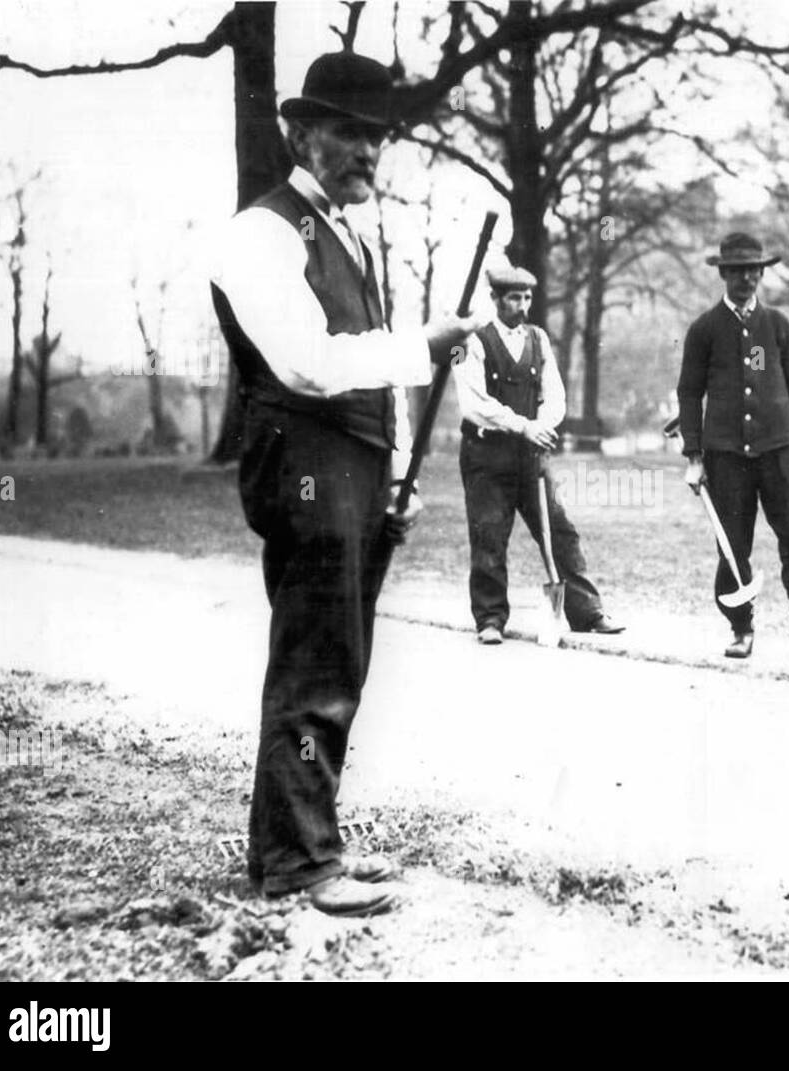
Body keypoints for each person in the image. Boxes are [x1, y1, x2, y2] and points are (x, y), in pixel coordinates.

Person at [210, 51, 482, 916]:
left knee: (342, 658)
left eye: (375, 136)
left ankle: (303, 846)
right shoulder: (263, 232)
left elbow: (367, 378)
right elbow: (311, 364)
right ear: (300, 131)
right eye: (349, 132)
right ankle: (296, 863)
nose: (368, 150)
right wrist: (425, 344)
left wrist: (396, 475)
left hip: (353, 467)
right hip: (302, 462)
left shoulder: (353, 233)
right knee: (315, 658)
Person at [677, 233, 789, 662]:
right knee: (732, 545)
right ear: (723, 274)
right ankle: (741, 628)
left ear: (761, 274)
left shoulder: (779, 326)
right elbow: (689, 394)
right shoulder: (704, 330)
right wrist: (694, 456)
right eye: (738, 271)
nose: (747, 278)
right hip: (725, 456)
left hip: (779, 452)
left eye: (754, 270)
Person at [451, 265, 623, 644]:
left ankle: (587, 612)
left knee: (560, 531)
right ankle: (490, 619)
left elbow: (555, 392)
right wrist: (522, 425)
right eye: (514, 297)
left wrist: (543, 425)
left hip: (530, 456)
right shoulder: (470, 342)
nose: (523, 305)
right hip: (486, 455)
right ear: (495, 298)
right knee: (490, 535)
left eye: (527, 297)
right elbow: (473, 404)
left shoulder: (538, 339)